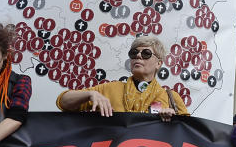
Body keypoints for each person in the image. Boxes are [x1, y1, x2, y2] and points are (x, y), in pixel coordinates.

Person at [57, 35, 188, 119]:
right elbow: (63, 102)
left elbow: (191, 135)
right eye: (134, 52)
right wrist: (90, 94)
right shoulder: (110, 89)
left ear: (159, 63)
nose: (138, 56)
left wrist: (173, 122)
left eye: (146, 53)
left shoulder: (171, 98)